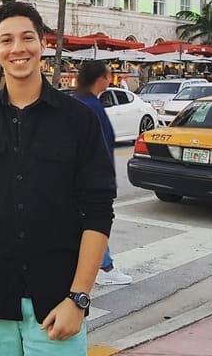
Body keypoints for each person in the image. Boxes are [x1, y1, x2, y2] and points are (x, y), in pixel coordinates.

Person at [0, 1, 117, 355]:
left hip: (57, 301)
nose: (17, 48)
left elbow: (98, 211)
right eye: (6, 40)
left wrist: (79, 298)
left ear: (43, 44)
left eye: (27, 38)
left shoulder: (78, 120)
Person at [75, 61, 133, 286]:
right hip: (90, 178)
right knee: (94, 222)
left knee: (85, 222)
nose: (110, 80)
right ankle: (104, 267)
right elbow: (99, 146)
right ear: (100, 79)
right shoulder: (91, 107)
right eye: (108, 76)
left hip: (82, 176)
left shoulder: (83, 102)